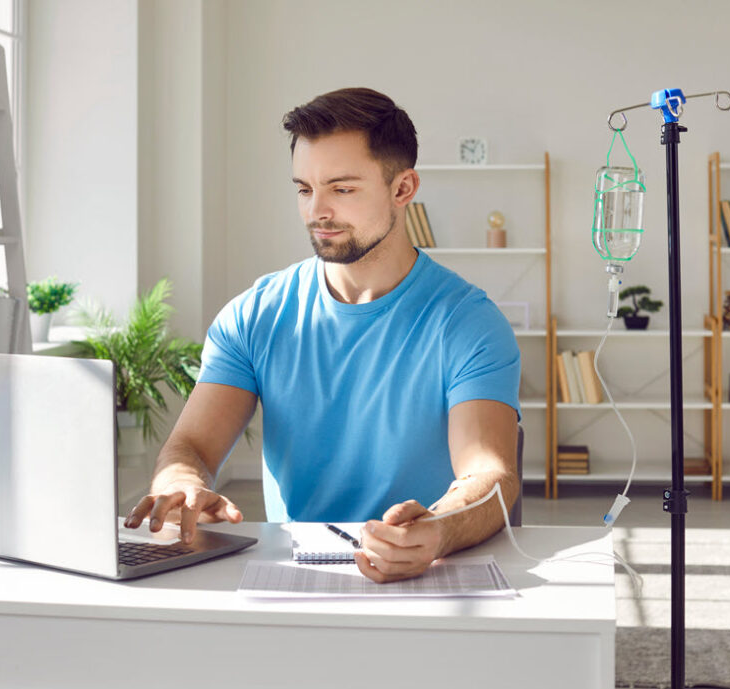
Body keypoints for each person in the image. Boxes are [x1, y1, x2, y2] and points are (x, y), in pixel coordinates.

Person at [125, 87, 522, 583]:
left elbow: (490, 476)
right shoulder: (255, 314)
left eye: (342, 188)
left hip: (429, 574)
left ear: (403, 189)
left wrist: (437, 529)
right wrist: (182, 483)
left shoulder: (467, 322)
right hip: (294, 573)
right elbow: (191, 447)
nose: (317, 211)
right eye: (304, 189)